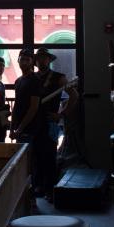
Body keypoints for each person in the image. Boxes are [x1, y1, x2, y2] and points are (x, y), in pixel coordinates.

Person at [12, 48, 77, 198]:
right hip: (33, 123)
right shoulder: (31, 77)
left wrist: (61, 114)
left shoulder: (59, 78)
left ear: (49, 60)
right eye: (39, 58)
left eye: (44, 58)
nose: (41, 61)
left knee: (49, 156)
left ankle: (50, 190)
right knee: (35, 157)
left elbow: (74, 95)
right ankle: (38, 187)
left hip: (49, 122)